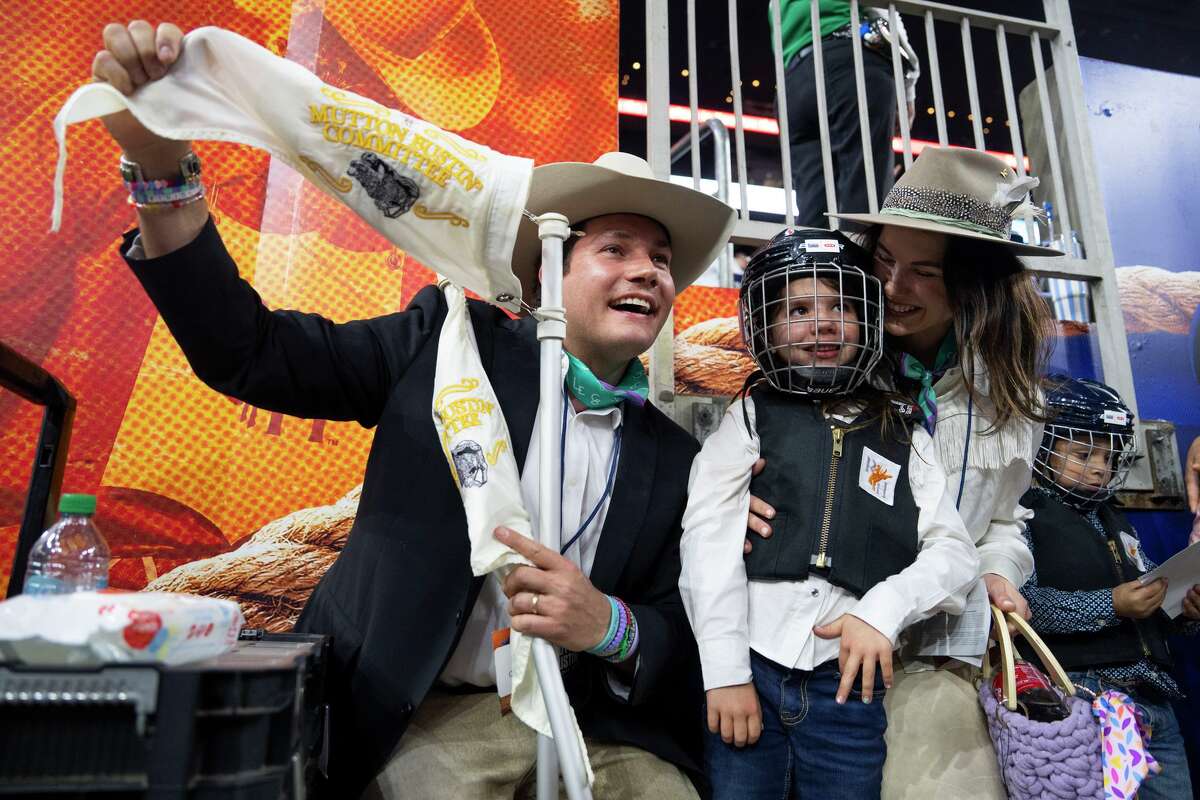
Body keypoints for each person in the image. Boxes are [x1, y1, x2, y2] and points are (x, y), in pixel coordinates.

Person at [90, 21, 737, 800]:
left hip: (589, 720)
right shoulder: (445, 343)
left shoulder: (678, 455)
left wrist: (609, 625)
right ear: (545, 273)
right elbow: (248, 351)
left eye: (662, 262)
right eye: (618, 249)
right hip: (423, 716)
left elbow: (689, 625)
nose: (648, 273)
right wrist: (162, 174)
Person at [745, 146, 1062, 798]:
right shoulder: (816, 365)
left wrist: (1002, 567)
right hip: (812, 653)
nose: (892, 288)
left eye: (924, 272)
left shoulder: (1008, 400)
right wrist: (732, 505)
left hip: (938, 649)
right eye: (884, 261)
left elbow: (1005, 518)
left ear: (973, 286)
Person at [680, 228, 978, 799]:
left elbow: (955, 553)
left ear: (868, 318)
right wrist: (724, 674)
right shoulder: (748, 417)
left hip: (850, 681)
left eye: (841, 305)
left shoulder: (905, 427)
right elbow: (706, 544)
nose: (821, 322)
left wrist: (882, 613)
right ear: (764, 324)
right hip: (750, 665)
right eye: (797, 308)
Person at [1019, 375, 1200, 800]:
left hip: (1154, 703)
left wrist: (1186, 611)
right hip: (1085, 698)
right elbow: (1025, 607)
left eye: (1109, 456)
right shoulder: (1022, 515)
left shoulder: (1116, 520)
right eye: (1084, 453)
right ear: (1045, 447)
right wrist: (1113, 604)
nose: (1100, 466)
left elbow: (1155, 598)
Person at [776, 1, 920, 228]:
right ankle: (859, 261)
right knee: (866, 193)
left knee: (814, 207)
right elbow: (887, 15)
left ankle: (815, 262)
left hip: (795, 80)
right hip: (849, 60)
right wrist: (909, 89)